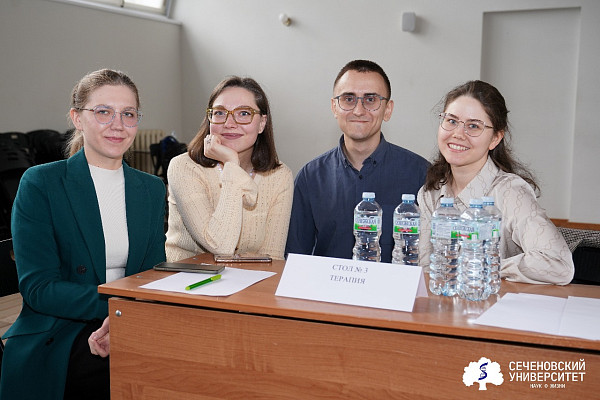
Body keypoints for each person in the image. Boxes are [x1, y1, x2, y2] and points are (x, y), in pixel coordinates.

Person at [0, 69, 167, 399]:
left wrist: (128, 315)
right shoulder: (42, 183)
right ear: (77, 118)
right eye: (103, 112)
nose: (118, 124)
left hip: (130, 319)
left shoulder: (150, 188)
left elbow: (151, 274)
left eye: (128, 114)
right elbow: (39, 289)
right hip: (59, 329)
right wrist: (118, 309)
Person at [417, 80, 574, 284]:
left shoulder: (510, 192)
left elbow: (559, 264)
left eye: (473, 126)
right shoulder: (431, 193)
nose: (458, 134)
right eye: (452, 121)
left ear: (495, 139)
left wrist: (483, 266)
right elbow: (425, 269)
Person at [285, 60, 430, 263]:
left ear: (388, 109)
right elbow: (295, 259)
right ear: (334, 107)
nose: (359, 110)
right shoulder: (311, 177)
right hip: (327, 284)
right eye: (348, 99)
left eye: (370, 99)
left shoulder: (421, 175)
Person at [165, 76, 293, 261]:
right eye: (219, 113)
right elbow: (220, 245)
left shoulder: (280, 176)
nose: (229, 123)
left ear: (262, 123)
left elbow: (272, 259)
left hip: (248, 279)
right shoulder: (184, 167)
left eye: (244, 113)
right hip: (186, 277)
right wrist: (232, 164)